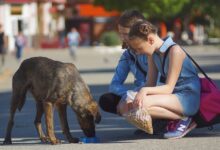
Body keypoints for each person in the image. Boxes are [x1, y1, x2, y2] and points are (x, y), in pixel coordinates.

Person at [127, 20, 201, 139]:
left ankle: (185, 119)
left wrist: (143, 92)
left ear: (150, 40)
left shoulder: (175, 51)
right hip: (173, 96)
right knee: (130, 104)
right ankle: (166, 121)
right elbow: (150, 84)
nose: (138, 53)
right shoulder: (152, 54)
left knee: (143, 105)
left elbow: (168, 88)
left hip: (187, 97)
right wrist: (132, 96)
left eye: (139, 48)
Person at [98, 10, 166, 134]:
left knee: (133, 101)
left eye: (126, 33)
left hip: (161, 92)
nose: (122, 38)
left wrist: (137, 95)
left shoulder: (153, 50)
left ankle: (164, 120)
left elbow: (160, 82)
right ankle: (148, 121)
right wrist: (129, 95)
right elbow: (114, 85)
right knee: (106, 100)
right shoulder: (128, 55)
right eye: (121, 33)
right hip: (140, 93)